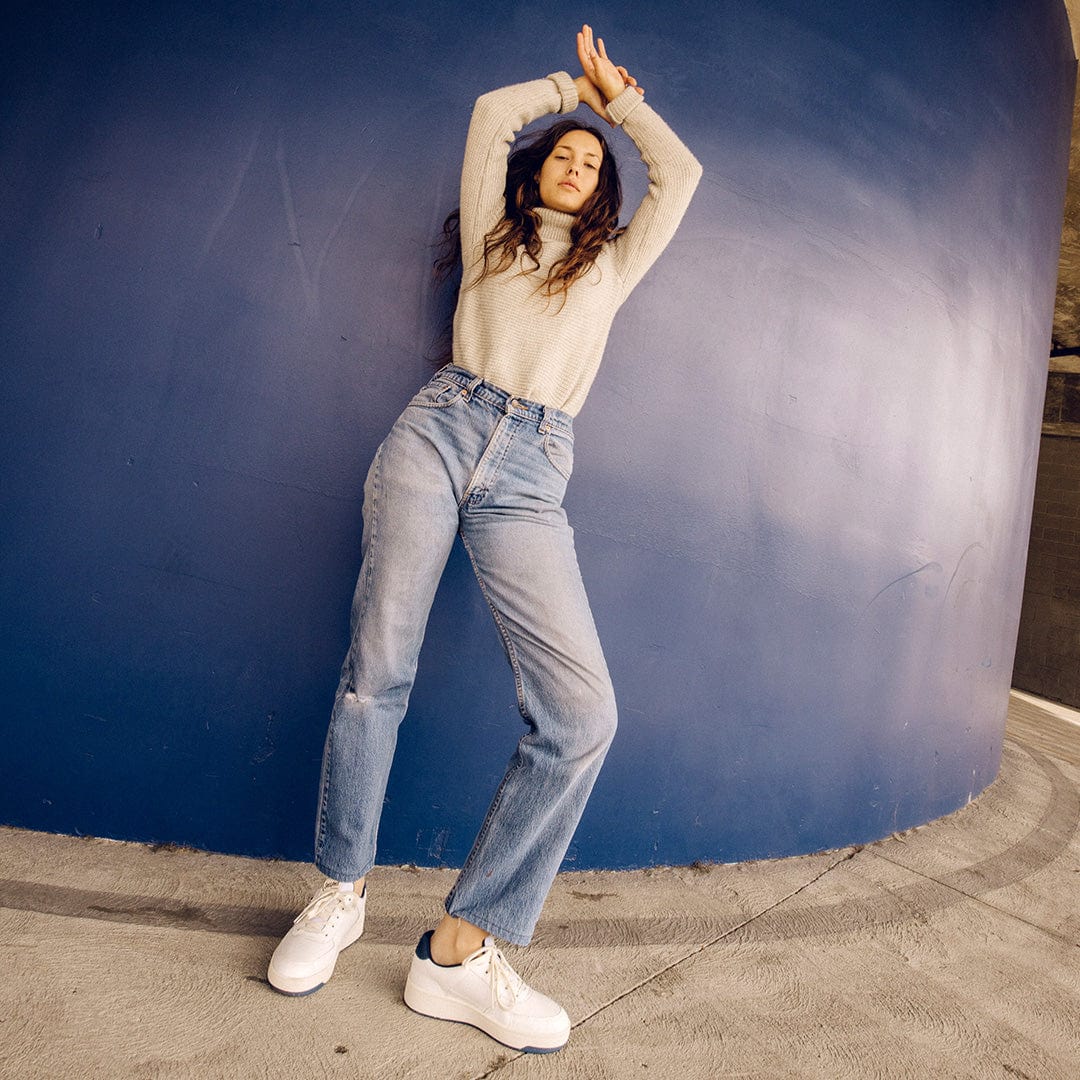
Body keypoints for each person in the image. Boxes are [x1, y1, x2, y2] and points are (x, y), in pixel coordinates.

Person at [267, 24, 702, 1054]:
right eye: (566, 147)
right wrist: (570, 88)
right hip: (440, 426)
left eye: (593, 161)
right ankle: (337, 894)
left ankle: (459, 951)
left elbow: (680, 176)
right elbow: (487, 117)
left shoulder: (615, 263)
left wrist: (619, 105)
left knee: (582, 713)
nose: (579, 158)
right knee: (378, 669)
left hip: (531, 472)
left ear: (602, 195)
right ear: (537, 170)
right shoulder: (489, 231)